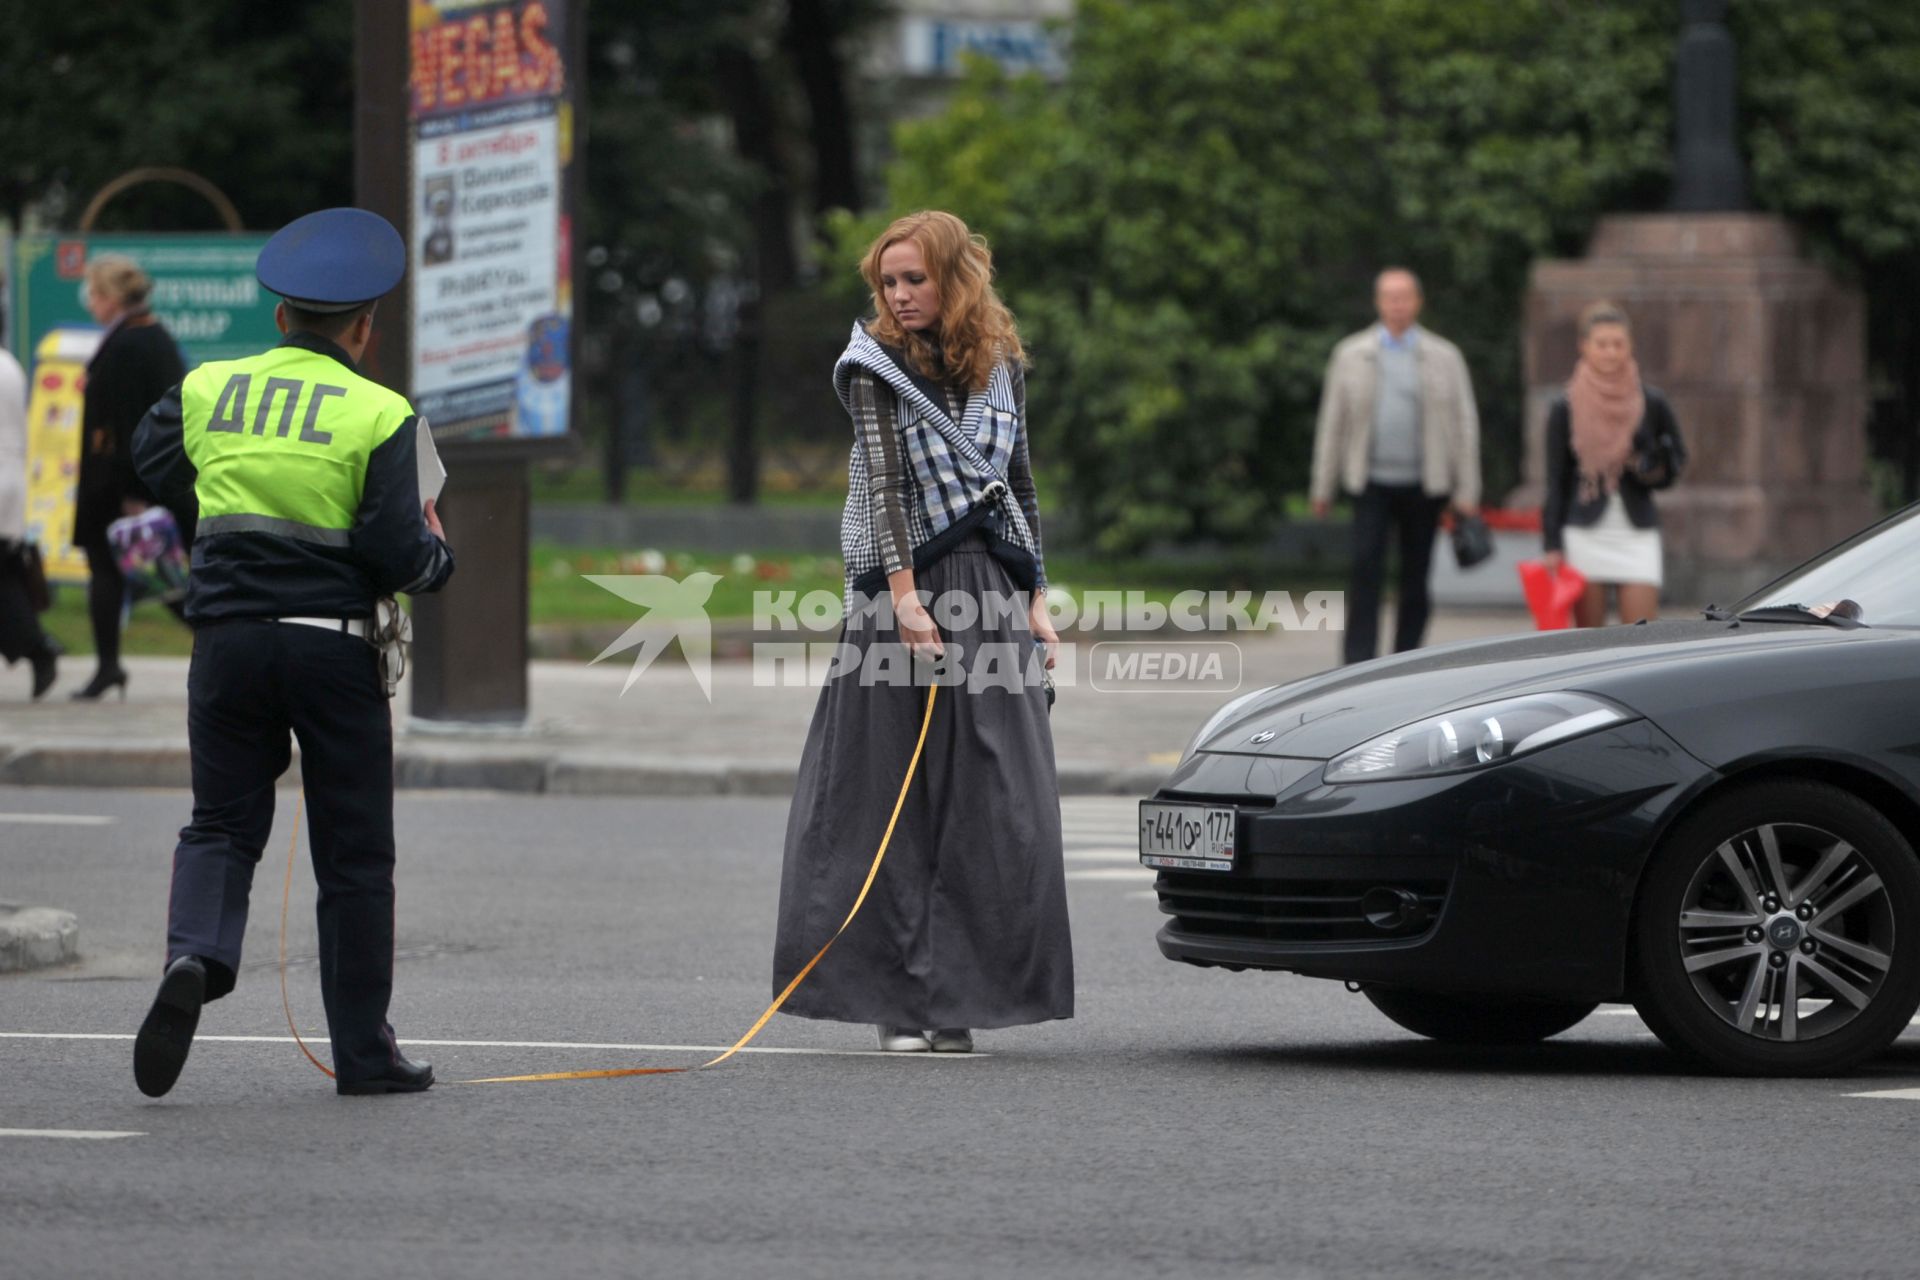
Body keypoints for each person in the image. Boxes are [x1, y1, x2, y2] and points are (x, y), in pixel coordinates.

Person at [128, 208, 455, 1099]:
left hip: (227, 643)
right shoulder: (380, 411)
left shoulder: (209, 388)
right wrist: (438, 555)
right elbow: (398, 553)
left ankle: (196, 953)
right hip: (332, 652)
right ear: (364, 329)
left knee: (221, 822)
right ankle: (362, 1052)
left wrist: (222, 513)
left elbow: (150, 454)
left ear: (280, 318)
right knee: (354, 855)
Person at [771, 210, 1073, 1054]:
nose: (899, 296)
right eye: (888, 282)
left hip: (987, 589)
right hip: (899, 601)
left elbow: (1020, 483)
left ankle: (959, 1002)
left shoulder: (1001, 365)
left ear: (954, 279)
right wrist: (904, 598)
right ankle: (897, 1005)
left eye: (914, 279)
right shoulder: (872, 365)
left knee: (992, 803)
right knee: (884, 801)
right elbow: (884, 487)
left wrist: (1036, 598)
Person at [1310, 268, 1482, 664]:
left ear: (1418, 302)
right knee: (1364, 571)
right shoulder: (1351, 354)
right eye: (1390, 297)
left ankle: (1406, 661)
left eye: (1404, 297)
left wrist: (1467, 490)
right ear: (1378, 302)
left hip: (1425, 484)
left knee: (1416, 577)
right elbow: (1332, 423)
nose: (1397, 305)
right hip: (1369, 482)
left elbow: (1464, 423)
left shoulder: (1445, 356)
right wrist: (1322, 486)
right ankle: (1357, 662)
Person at [71, 255, 190, 700]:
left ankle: (108, 667)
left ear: (113, 297)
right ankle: (107, 667)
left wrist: (132, 493)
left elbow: (127, 422)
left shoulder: (129, 344)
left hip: (119, 485)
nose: (92, 303)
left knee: (140, 574)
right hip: (129, 482)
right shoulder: (150, 335)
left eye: (96, 294)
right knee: (145, 573)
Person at [1542, 301, 1687, 627]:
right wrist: (1552, 543)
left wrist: (1646, 462)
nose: (1610, 352)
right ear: (1584, 347)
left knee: (1642, 637)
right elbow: (1556, 479)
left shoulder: (1651, 402)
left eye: (1618, 344)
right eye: (1601, 344)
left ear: (1630, 346)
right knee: (1589, 643)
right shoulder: (1565, 405)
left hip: (1636, 531)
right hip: (1584, 530)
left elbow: (1676, 462)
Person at [0, 342, 61, 697]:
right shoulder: (10, 364)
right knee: (5, 573)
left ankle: (38, 647)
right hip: (12, 478)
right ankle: (37, 647)